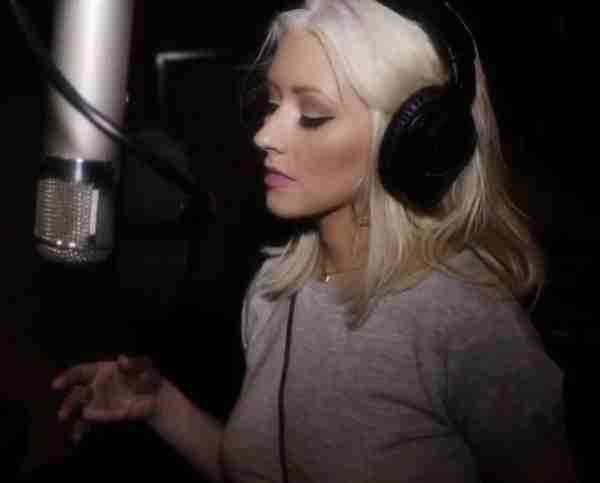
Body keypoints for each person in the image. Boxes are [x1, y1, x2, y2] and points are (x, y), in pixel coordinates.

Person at [51, 1, 578, 482]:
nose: (264, 136)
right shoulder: (273, 291)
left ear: (410, 141)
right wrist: (161, 405)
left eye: (312, 115)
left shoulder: (463, 319)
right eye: (271, 104)